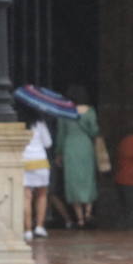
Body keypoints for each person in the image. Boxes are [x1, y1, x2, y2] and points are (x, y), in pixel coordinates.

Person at [55, 85, 100, 228]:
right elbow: (94, 131)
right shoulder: (90, 111)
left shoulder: (65, 112)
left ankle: (79, 218)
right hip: (85, 147)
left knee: (72, 181)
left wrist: (59, 153)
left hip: (70, 148)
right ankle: (88, 212)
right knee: (88, 180)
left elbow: (61, 135)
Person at [22, 114, 54, 242]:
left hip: (24, 161)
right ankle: (39, 227)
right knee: (42, 195)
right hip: (40, 161)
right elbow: (48, 143)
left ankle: (28, 230)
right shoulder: (40, 124)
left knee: (26, 197)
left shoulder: (18, 124)